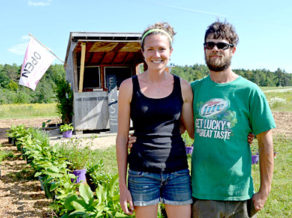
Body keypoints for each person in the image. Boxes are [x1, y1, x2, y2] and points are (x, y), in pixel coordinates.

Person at [191, 20, 276, 217]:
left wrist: (264, 190)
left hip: (239, 195)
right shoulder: (193, 90)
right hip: (203, 194)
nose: (215, 49)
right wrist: (139, 138)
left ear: (233, 50)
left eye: (222, 45)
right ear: (204, 49)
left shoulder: (250, 92)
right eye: (209, 44)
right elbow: (175, 128)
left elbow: (265, 142)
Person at [116, 22, 194, 218]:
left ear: (171, 51)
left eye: (161, 49)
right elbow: (122, 137)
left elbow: (190, 129)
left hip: (177, 171)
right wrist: (122, 187)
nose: (156, 55)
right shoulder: (128, 87)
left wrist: (243, 132)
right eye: (150, 49)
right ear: (143, 52)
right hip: (141, 173)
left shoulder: (183, 87)